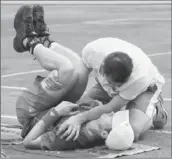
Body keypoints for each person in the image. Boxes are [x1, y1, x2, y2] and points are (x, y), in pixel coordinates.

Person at [56, 39, 168, 141]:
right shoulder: (92, 51)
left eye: (118, 86)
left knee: (131, 132)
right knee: (79, 106)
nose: (114, 90)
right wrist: (73, 101)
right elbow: (80, 79)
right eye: (111, 84)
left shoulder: (140, 78)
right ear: (102, 68)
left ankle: (156, 112)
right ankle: (124, 106)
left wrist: (79, 119)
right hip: (112, 82)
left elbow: (111, 107)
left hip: (145, 89)